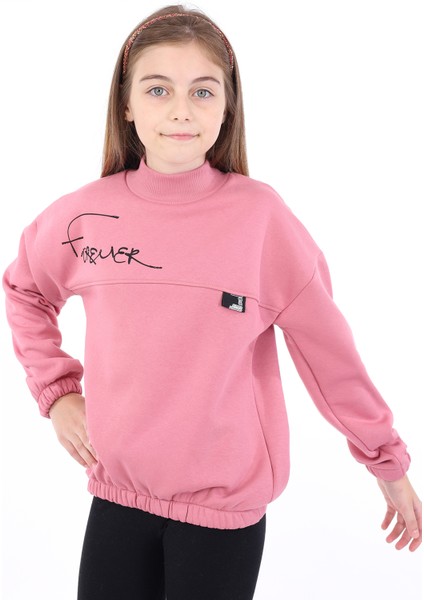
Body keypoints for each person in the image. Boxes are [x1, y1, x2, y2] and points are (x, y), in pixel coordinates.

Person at [2, 4, 422, 599]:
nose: (181, 109)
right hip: (116, 497)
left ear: (228, 107)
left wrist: (386, 460)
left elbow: (328, 355)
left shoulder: (261, 220)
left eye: (203, 91)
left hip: (223, 518)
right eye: (158, 89)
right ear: (126, 104)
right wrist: (58, 392)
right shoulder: (85, 216)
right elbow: (24, 290)